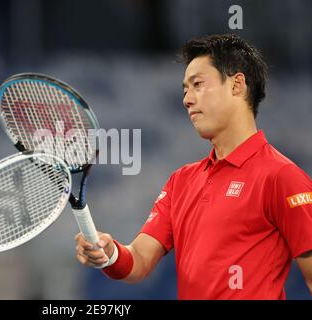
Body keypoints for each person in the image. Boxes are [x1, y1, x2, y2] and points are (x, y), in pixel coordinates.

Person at [75, 34, 312, 299]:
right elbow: (139, 261)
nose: (187, 99)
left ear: (237, 85)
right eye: (185, 90)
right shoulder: (180, 181)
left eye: (198, 84)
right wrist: (111, 253)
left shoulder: (282, 177)